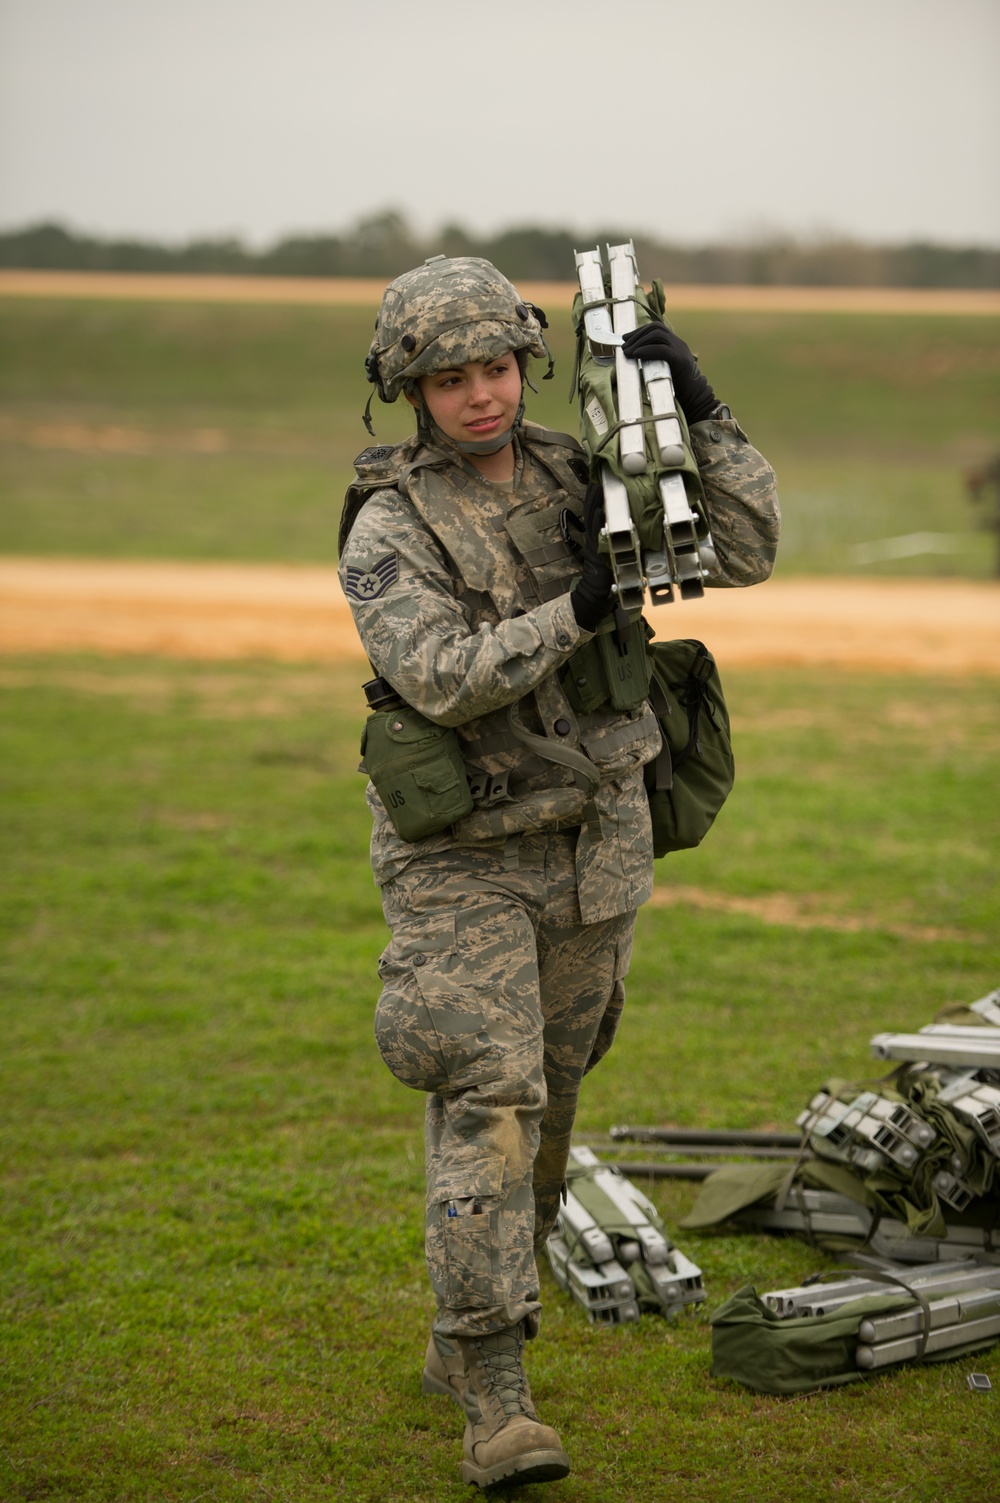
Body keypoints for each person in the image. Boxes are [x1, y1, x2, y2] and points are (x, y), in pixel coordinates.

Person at [338, 254, 779, 1489]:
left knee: (555, 1106)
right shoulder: (390, 522)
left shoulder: (589, 468)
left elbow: (741, 550)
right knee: (489, 1099)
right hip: (463, 859)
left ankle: (456, 1329)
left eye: (495, 367)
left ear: (524, 363)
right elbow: (438, 676)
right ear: (408, 388)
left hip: (596, 842)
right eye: (448, 377)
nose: (479, 394)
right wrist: (583, 606)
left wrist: (697, 407)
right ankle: (495, 1395)